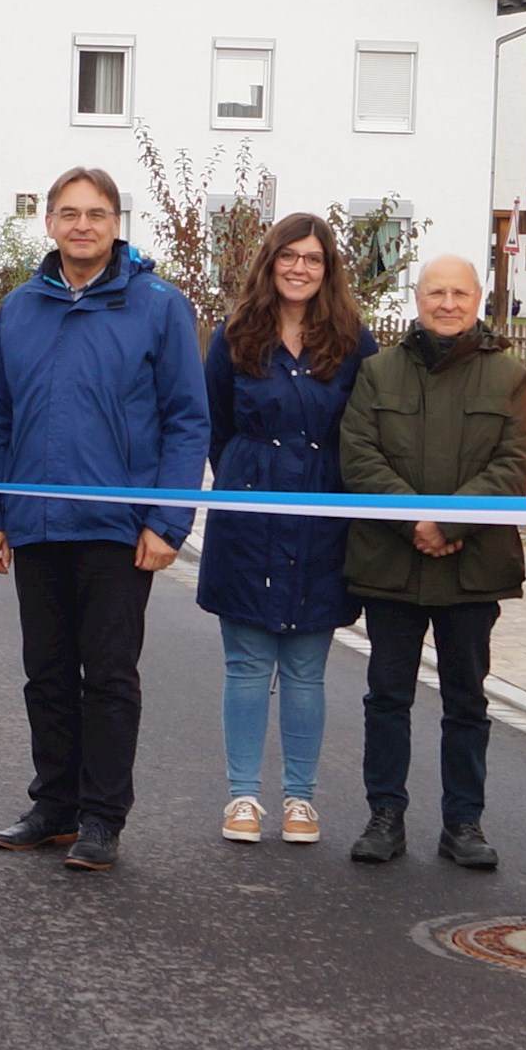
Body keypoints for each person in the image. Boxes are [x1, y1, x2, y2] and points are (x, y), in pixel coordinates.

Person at [0, 165, 209, 875]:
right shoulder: (18, 308)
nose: (82, 225)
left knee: (107, 674)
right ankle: (55, 804)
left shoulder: (160, 307)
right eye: (69, 213)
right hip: (38, 524)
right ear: (49, 223)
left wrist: (167, 522)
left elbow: (186, 421)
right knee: (44, 671)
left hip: (116, 529)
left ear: (116, 223)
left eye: (97, 213)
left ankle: (103, 816)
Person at [339, 253, 526, 870]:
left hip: (472, 567)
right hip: (391, 565)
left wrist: (449, 522)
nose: (447, 303)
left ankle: (464, 824)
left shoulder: (509, 375)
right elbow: (360, 459)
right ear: (417, 298)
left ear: (477, 298)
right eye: (435, 292)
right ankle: (385, 817)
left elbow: (516, 464)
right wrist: (416, 524)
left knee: (467, 701)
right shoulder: (377, 372)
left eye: (459, 292)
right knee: (387, 697)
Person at [195, 210, 372, 847]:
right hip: (248, 515)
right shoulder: (235, 335)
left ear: (328, 270)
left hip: (323, 517)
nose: (300, 268)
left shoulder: (354, 340)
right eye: (288, 256)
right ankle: (243, 796)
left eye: (313, 259)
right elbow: (214, 424)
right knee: (245, 664)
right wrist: (246, 478)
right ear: (270, 264)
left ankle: (301, 799)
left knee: (305, 667)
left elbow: (363, 425)